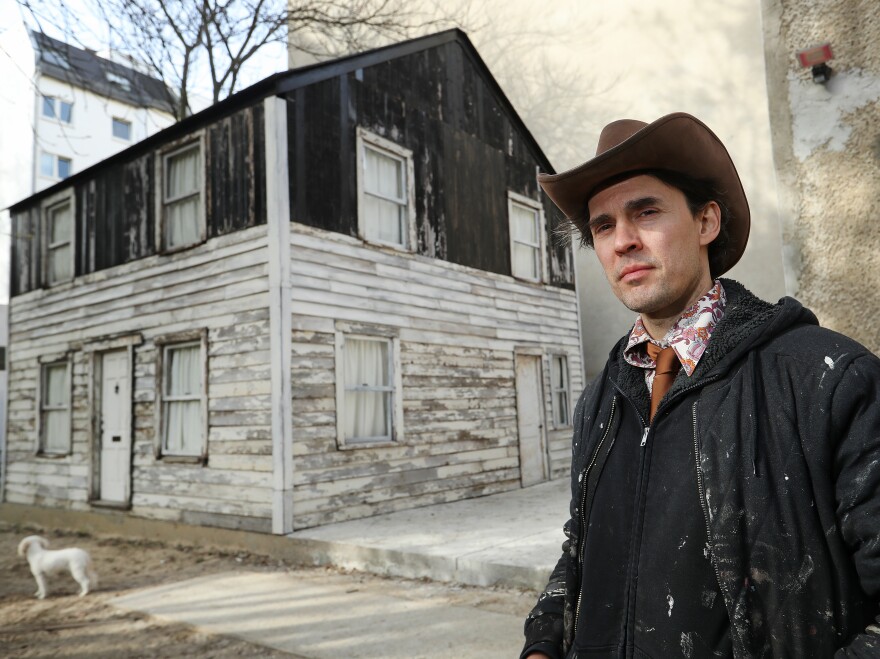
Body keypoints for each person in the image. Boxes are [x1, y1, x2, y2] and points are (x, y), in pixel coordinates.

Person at [521, 113, 880, 659]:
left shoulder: (828, 378)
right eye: (602, 226)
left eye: (645, 212)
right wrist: (543, 645)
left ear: (707, 221)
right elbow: (581, 547)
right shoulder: (600, 399)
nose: (622, 242)